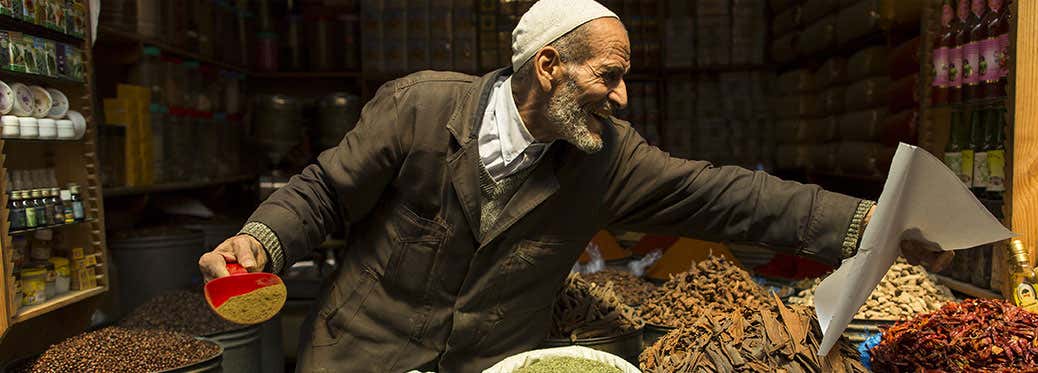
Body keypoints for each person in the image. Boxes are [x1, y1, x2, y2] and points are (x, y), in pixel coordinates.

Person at [198, 1, 950, 371]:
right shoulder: (422, 106)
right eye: (609, 76)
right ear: (549, 67)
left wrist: (872, 222)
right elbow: (324, 191)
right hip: (360, 355)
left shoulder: (606, 157)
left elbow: (729, 195)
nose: (622, 98)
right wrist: (259, 239)